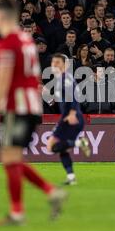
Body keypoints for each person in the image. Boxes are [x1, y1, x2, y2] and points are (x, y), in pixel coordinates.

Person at [0, 0, 67, 225]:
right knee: (12, 157)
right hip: (32, 105)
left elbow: (3, 78)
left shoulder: (8, 42)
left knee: (9, 157)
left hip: (17, 106)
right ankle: (49, 193)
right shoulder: (26, 40)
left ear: (2, 18)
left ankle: (18, 211)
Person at [47, 54, 91, 185]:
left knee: (51, 146)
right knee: (61, 149)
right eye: (53, 62)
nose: (54, 65)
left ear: (65, 65)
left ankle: (79, 143)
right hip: (69, 117)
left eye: (57, 62)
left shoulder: (65, 78)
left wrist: (71, 112)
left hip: (71, 118)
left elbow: (72, 95)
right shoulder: (62, 79)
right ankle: (71, 178)